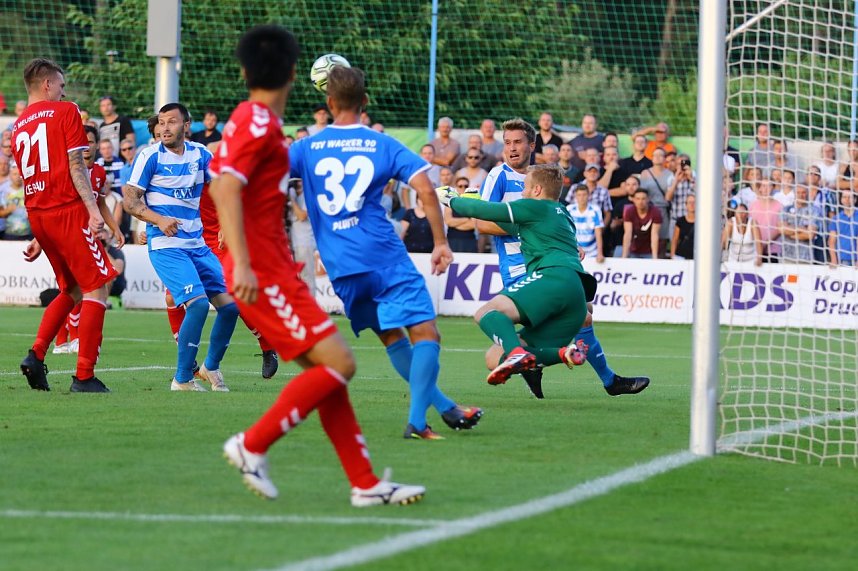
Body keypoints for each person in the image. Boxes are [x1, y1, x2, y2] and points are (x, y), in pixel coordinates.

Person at [209, 25, 426, 504]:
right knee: (340, 363)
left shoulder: (254, 121)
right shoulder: (260, 122)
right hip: (261, 271)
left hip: (272, 267)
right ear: (292, 73)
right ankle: (252, 444)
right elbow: (224, 185)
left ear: (246, 72)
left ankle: (365, 484)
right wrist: (242, 264)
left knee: (325, 374)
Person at [288, 64, 481, 440]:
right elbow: (425, 188)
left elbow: (266, 180)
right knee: (426, 334)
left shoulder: (305, 148)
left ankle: (446, 408)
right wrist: (441, 243)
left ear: (328, 102)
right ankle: (417, 422)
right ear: (365, 101)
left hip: (342, 267)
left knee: (393, 337)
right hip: (383, 255)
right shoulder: (381, 143)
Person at [479, 118, 649, 398]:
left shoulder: (542, 177)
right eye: (507, 143)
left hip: (549, 262)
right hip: (520, 266)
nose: (511, 148)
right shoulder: (499, 176)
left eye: (518, 142)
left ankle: (538, 363)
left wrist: (568, 246)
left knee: (584, 316)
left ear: (533, 145)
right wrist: (527, 226)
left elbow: (553, 222)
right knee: (580, 316)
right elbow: (482, 222)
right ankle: (598, 375)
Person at [444, 165, 647, 397]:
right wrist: (477, 203)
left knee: (486, 312)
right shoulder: (562, 212)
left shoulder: (534, 207)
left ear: (537, 190)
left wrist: (452, 200)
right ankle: (564, 354)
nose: (522, 193)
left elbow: (485, 211)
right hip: (576, 294)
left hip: (553, 278)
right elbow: (508, 224)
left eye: (525, 188)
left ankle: (517, 354)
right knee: (493, 358)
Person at [13, 58, 119, 393]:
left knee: (71, 290)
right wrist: (93, 209)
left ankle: (36, 355)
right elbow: (75, 164)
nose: (64, 91)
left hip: (39, 216)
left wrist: (38, 236)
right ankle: (84, 376)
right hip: (68, 212)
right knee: (96, 288)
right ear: (46, 84)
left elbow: (36, 176)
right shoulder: (66, 111)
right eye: (61, 84)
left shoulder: (16, 127)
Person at [123, 102, 240, 392]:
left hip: (197, 244)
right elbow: (131, 201)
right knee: (198, 305)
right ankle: (182, 380)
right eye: (161, 122)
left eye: (171, 122)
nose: (164, 128)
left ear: (186, 126)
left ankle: (210, 367)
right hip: (166, 245)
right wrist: (158, 220)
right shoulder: (149, 155)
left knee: (230, 308)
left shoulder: (201, 155)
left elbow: (223, 188)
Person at [638, 147, 673, 256]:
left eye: (660, 155)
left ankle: (660, 259)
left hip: (662, 209)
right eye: (655, 155)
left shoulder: (670, 174)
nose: (657, 158)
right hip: (648, 208)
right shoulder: (645, 173)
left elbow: (669, 194)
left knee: (662, 238)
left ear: (664, 158)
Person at [779, 184, 817, 264]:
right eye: (798, 192)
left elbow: (810, 235)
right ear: (794, 194)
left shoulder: (814, 211)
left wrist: (790, 231)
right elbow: (782, 229)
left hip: (806, 257)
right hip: (787, 256)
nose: (801, 195)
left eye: (803, 193)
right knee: (790, 277)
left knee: (804, 277)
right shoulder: (786, 209)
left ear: (807, 194)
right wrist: (803, 229)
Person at [567, 183, 605, 263]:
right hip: (573, 251)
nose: (582, 198)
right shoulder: (569, 209)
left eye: (584, 195)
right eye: (579, 195)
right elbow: (565, 232)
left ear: (589, 196)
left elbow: (598, 232)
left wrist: (600, 253)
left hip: (592, 252)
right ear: (575, 196)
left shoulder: (595, 210)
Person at [621, 187, 662, 259]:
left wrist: (654, 257)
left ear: (648, 199)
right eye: (638, 199)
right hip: (633, 249)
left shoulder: (655, 212)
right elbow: (628, 233)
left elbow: (654, 235)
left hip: (649, 250)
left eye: (643, 199)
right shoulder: (629, 211)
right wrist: (624, 256)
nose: (640, 202)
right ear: (633, 200)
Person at [443, 176, 477, 252]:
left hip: (469, 240)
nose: (463, 188)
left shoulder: (473, 202)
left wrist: (456, 223)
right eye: (460, 186)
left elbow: (474, 224)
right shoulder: (450, 202)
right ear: (456, 188)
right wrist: (466, 219)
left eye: (466, 186)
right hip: (452, 240)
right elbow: (448, 221)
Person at [828, 190, 857, 267]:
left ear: (855, 199)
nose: (847, 199)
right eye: (844, 197)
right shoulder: (836, 218)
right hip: (842, 259)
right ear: (841, 200)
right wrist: (834, 260)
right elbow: (831, 241)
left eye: (850, 197)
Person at [670, 194, 695, 260]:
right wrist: (672, 255)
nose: (692, 205)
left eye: (694, 202)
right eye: (690, 202)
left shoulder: (702, 222)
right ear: (686, 205)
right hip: (681, 255)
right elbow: (675, 239)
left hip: (697, 255)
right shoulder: (681, 221)